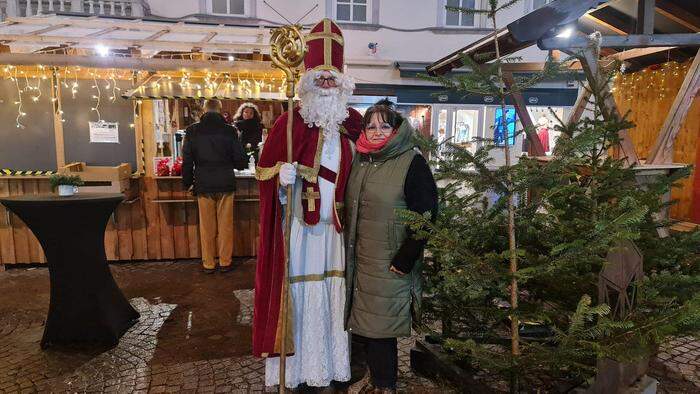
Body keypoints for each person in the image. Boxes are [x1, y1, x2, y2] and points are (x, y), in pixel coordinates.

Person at [253, 18, 363, 389]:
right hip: (300, 229)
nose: (328, 84)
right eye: (321, 77)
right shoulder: (289, 122)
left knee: (334, 292)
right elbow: (264, 172)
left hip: (337, 231)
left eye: (333, 77)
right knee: (301, 292)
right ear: (308, 81)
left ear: (344, 80)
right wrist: (280, 178)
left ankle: (330, 368)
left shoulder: (356, 123)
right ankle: (299, 370)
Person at [344, 101, 438, 394]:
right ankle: (374, 378)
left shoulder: (412, 162)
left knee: (381, 329)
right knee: (365, 325)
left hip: (390, 260)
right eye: (371, 125)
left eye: (385, 125)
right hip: (361, 257)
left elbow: (426, 213)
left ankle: (386, 385)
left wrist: (406, 257)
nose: (376, 131)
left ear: (397, 130)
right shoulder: (361, 159)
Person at [182, 99, 248, 274]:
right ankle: (225, 262)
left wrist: (187, 182)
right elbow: (240, 158)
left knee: (206, 226)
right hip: (225, 181)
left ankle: (209, 264)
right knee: (225, 225)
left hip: (203, 182)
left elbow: (187, 160)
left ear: (204, 110)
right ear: (220, 110)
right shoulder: (230, 131)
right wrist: (236, 164)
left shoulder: (192, 131)